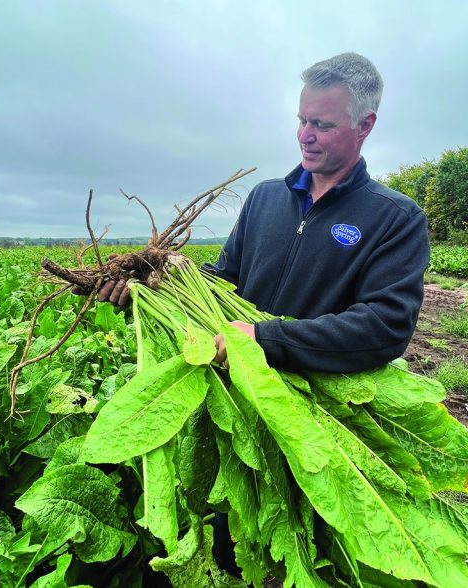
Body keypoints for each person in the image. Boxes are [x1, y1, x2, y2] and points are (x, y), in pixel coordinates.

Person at [95, 52, 430, 576]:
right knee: (229, 533)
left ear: (365, 126)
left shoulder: (394, 218)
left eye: (322, 124)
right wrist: (154, 281)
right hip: (232, 400)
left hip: (312, 415)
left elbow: (385, 326)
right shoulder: (265, 198)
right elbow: (225, 280)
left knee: (308, 541)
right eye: (301, 120)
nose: (305, 135)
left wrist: (263, 338)